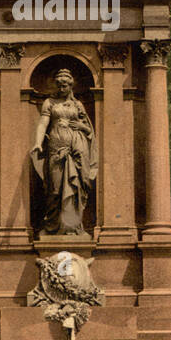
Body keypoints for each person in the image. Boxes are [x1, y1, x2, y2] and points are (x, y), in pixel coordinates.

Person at [31, 69, 98, 235]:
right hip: (56, 148)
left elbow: (88, 129)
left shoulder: (78, 105)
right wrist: (38, 143)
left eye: (66, 85)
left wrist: (81, 127)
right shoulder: (49, 102)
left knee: (76, 188)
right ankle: (53, 226)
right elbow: (42, 123)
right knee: (55, 188)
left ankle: (73, 227)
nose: (62, 87)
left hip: (77, 150)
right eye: (59, 84)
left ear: (71, 86)